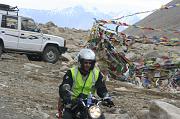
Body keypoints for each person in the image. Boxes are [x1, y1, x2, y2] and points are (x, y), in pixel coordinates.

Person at [58, 48, 114, 119]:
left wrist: (106, 97)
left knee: (100, 117)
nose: (88, 65)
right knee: (67, 116)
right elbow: (65, 86)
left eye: (90, 63)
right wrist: (66, 95)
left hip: (90, 103)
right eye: (85, 62)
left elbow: (101, 88)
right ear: (80, 62)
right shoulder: (72, 72)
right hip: (73, 103)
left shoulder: (96, 73)